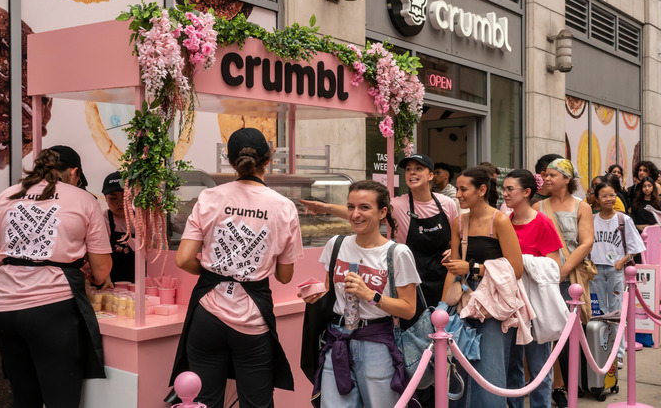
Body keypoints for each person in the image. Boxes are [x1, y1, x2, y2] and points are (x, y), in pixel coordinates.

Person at [170, 127, 303, 406]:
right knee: (256, 402)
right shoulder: (283, 207)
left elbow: (182, 259)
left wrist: (212, 274)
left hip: (207, 313)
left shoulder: (209, 197)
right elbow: (285, 276)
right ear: (268, 160)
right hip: (252, 318)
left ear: (230, 162)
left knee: (204, 400)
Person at [0, 147, 112, 408]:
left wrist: (23, 262)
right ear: (75, 172)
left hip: (4, 310)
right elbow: (102, 268)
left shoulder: (6, 196)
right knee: (61, 400)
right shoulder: (84, 200)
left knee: (25, 399)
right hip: (53, 310)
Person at [303, 180, 420, 407]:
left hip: (376, 343)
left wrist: (371, 295)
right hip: (337, 340)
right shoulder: (336, 244)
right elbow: (329, 290)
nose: (355, 214)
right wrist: (315, 295)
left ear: (382, 212)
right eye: (351, 207)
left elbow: (408, 309)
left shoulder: (397, 253)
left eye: (364, 207)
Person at [302, 154, 458, 308]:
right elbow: (361, 212)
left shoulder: (447, 203)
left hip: (444, 278)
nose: (412, 172)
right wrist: (325, 208)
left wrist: (454, 250)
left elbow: (458, 235)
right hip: (409, 279)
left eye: (418, 168)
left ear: (430, 175)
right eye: (408, 169)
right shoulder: (398, 205)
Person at [442, 167, 523, 408]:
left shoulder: (499, 220)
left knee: (490, 366)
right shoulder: (458, 222)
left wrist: (473, 267)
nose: (458, 194)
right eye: (457, 189)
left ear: (482, 190)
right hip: (465, 298)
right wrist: (443, 308)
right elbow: (453, 269)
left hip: (492, 302)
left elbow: (516, 269)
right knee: (460, 364)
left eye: (463, 189)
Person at [502, 170, 562, 408]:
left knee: (539, 367)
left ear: (527, 192)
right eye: (504, 188)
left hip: (535, 304)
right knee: (511, 367)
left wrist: (522, 261)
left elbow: (555, 267)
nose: (505, 194)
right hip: (508, 303)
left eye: (510, 189)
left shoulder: (542, 222)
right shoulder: (504, 222)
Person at [537, 158, 594, 407]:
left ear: (567, 179)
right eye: (545, 175)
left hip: (570, 278)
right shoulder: (539, 206)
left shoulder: (582, 207)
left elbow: (586, 242)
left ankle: (568, 383)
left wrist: (563, 271)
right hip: (543, 278)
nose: (547, 179)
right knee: (546, 331)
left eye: (552, 175)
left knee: (569, 332)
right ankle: (553, 384)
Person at [589, 181, 645, 368]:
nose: (609, 199)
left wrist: (622, 261)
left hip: (616, 270)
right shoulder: (591, 219)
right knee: (598, 312)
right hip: (596, 269)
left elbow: (635, 247)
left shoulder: (623, 219)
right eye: (604, 196)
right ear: (597, 198)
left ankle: (618, 353)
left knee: (616, 312)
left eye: (612, 195)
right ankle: (601, 351)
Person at [101, 171, 136, 283]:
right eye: (113, 198)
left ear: (133, 196)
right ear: (106, 198)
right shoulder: (101, 221)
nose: (120, 203)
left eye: (125, 197)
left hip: (138, 282)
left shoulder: (143, 220)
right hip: (108, 282)